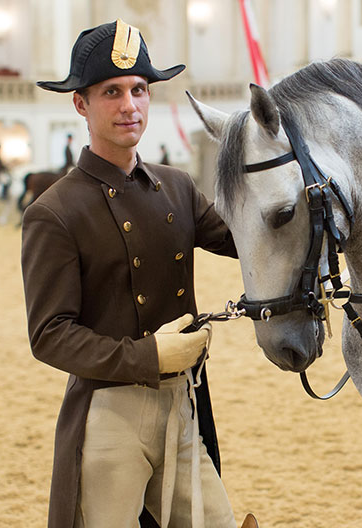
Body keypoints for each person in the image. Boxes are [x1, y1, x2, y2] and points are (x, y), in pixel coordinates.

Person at [22, 19, 251, 528]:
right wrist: (147, 355)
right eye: (112, 92)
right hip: (109, 414)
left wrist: (307, 203)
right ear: (80, 104)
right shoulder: (54, 212)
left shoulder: (177, 187)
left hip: (182, 405)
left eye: (139, 90)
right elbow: (49, 336)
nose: (130, 105)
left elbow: (245, 241)